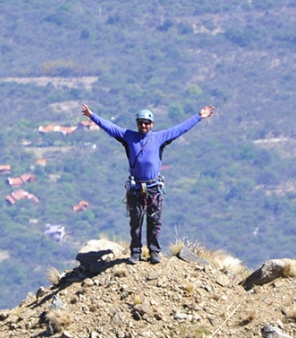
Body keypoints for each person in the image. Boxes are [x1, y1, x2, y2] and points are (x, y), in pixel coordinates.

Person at [81, 103, 215, 264]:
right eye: (140, 123)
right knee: (135, 223)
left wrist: (199, 117)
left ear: (152, 125)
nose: (143, 125)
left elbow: (179, 129)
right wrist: (92, 116)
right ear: (137, 124)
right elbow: (111, 127)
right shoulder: (128, 136)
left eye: (146, 123)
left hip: (153, 188)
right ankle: (135, 253)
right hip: (136, 188)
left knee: (154, 222)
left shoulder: (159, 138)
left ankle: (154, 252)